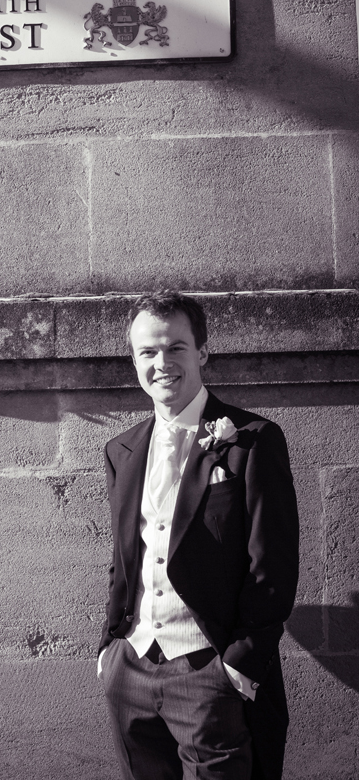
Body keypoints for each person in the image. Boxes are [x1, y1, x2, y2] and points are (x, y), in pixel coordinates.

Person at [98, 291, 299, 780]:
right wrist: (109, 648)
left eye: (175, 348)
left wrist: (238, 665)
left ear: (202, 352)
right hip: (131, 667)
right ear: (134, 360)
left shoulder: (252, 440)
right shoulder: (121, 450)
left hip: (210, 673)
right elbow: (125, 557)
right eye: (148, 352)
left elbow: (272, 565)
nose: (161, 363)